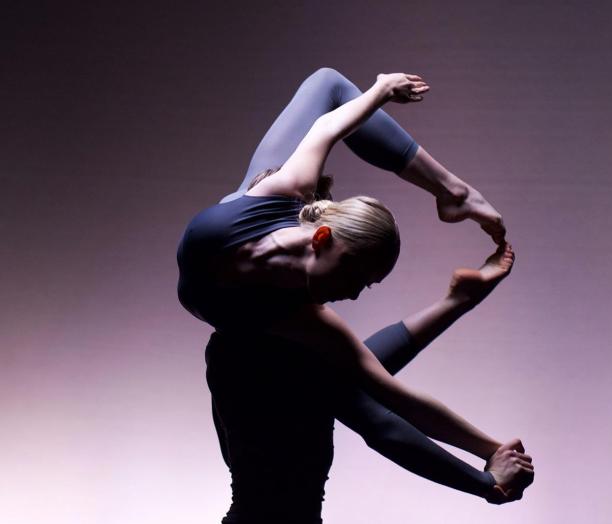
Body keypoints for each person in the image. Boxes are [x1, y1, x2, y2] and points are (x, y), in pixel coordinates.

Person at [176, 68, 534, 523]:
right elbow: (381, 418)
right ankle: (453, 192)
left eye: (367, 285)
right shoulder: (284, 190)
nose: (354, 295)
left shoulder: (300, 320)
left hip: (240, 301)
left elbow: (392, 399)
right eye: (354, 276)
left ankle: (455, 197)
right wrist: (383, 89)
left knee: (336, 378)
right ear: (322, 238)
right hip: (244, 225)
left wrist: (491, 453)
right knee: (326, 90)